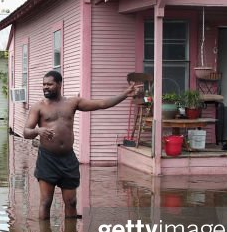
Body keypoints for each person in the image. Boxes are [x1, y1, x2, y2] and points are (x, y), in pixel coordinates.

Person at [25, 71, 141, 220]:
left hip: (68, 159)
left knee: (72, 202)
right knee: (46, 202)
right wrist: (37, 130)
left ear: (59, 84)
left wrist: (125, 94)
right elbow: (26, 132)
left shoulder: (72, 103)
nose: (45, 87)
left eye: (49, 84)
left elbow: (102, 104)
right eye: (44, 84)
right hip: (47, 159)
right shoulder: (38, 107)